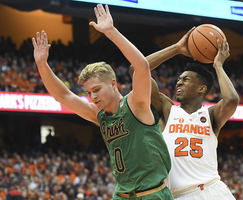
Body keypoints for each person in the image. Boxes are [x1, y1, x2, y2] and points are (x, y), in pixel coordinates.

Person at [32, 4, 173, 200]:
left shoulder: (136, 104)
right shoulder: (99, 116)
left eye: (97, 89)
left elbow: (142, 67)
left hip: (151, 194)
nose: (93, 96)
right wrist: (42, 65)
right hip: (121, 195)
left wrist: (110, 31)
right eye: (89, 92)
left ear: (113, 83)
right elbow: (63, 96)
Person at [129, 27, 239, 199]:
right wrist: (176, 49)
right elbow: (137, 70)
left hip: (213, 190)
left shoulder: (210, 116)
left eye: (185, 80)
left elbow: (231, 99)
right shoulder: (167, 110)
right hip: (179, 195)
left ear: (201, 89)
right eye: (179, 79)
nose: (179, 83)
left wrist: (218, 65)